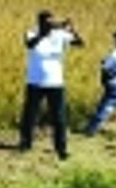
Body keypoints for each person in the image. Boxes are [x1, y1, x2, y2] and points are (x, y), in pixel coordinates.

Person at [20, 9, 84, 160]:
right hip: (35, 82)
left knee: (59, 118)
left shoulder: (60, 34)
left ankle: (61, 148)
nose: (50, 25)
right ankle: (26, 143)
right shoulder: (31, 33)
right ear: (39, 22)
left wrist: (71, 29)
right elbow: (30, 45)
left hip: (55, 82)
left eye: (52, 22)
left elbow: (80, 43)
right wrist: (43, 33)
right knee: (30, 115)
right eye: (47, 22)